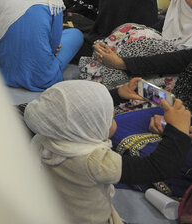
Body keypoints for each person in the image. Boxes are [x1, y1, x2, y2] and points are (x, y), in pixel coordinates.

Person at [23, 80, 191, 224]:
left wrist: (118, 94)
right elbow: (158, 167)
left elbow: (80, 112)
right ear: (91, 128)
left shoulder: (48, 135)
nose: (113, 118)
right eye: (109, 117)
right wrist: (178, 131)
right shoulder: (95, 161)